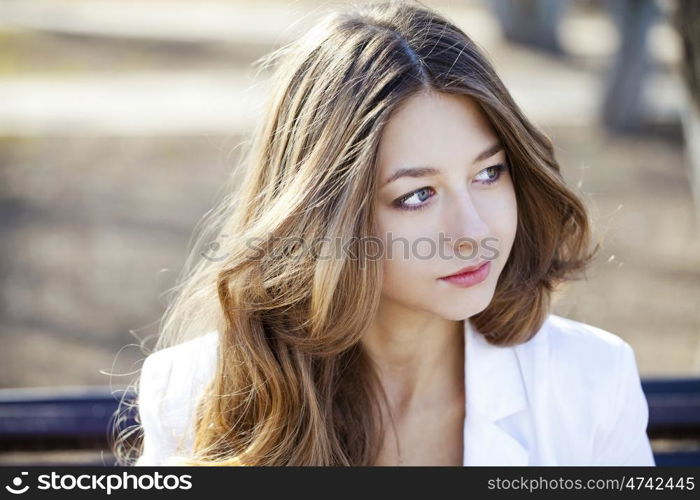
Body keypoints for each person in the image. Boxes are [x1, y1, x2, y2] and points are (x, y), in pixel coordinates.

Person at [116, 0, 656, 466]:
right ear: (327, 218)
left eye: (488, 173)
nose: (472, 233)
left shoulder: (590, 382)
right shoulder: (193, 394)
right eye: (417, 195)